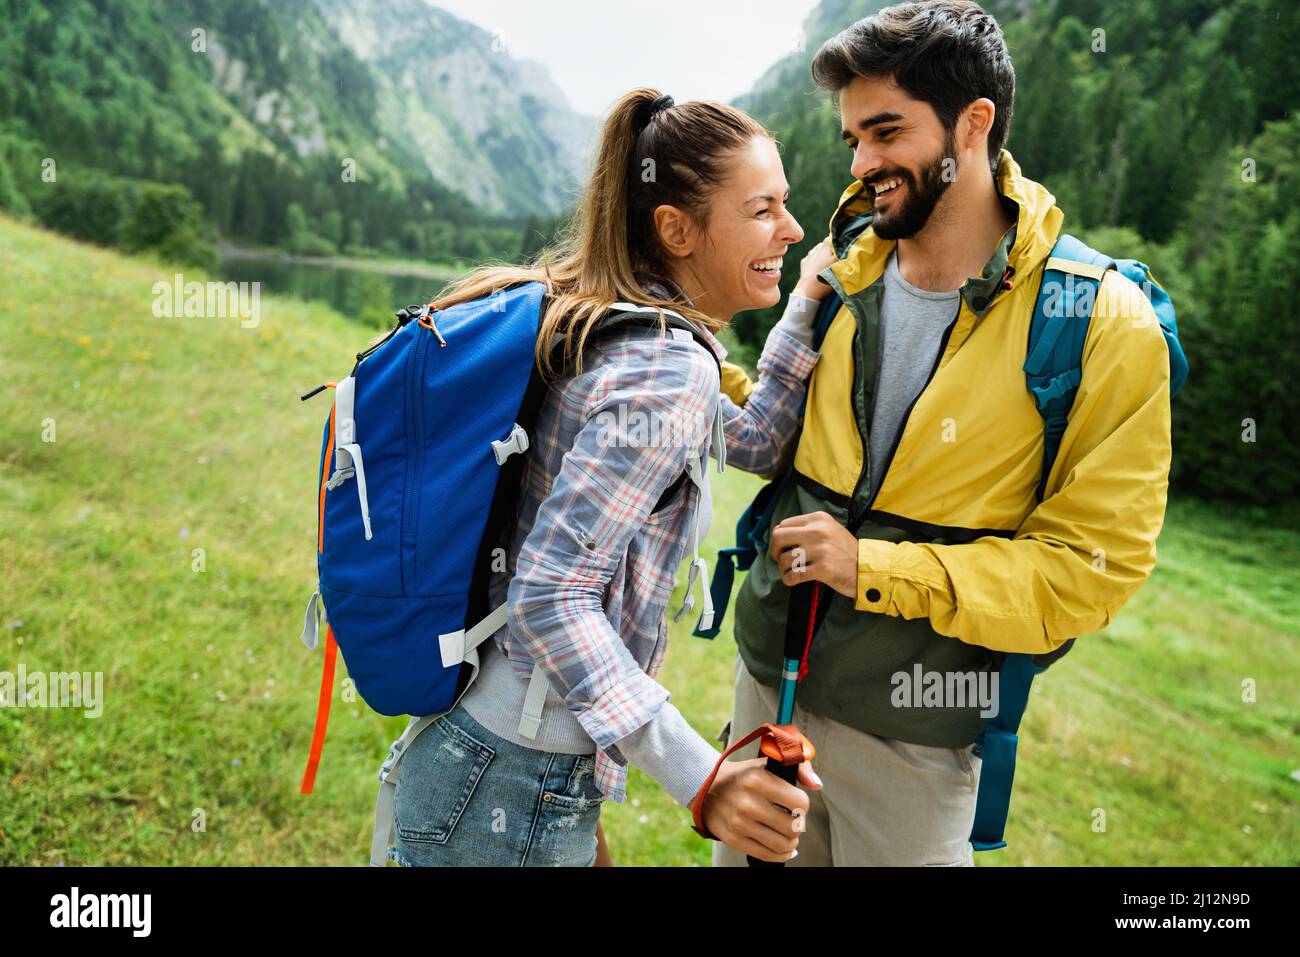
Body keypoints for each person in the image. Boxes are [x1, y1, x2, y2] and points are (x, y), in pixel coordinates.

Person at [712, 0, 1173, 866]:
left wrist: (871, 564)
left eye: (886, 131)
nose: (863, 162)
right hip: (766, 690)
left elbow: (1091, 568)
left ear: (974, 123)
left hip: (917, 734)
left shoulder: (1101, 318)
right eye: (853, 138)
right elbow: (786, 440)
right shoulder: (845, 268)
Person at [388, 87, 836, 867]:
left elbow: (753, 439)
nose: (792, 229)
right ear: (677, 229)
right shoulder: (664, 369)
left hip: (496, 746)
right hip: (510, 777)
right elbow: (551, 591)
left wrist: (802, 304)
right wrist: (704, 779)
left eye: (787, 204)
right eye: (763, 210)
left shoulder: (611, 318)